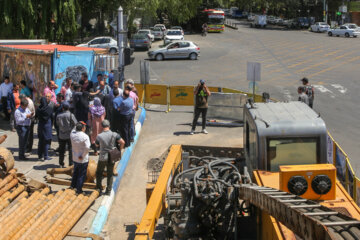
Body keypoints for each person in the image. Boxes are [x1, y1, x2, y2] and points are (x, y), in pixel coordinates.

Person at [95, 120, 125, 195]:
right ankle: (108, 191)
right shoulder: (115, 134)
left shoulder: (99, 136)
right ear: (109, 126)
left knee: (99, 173)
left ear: (102, 126)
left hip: (102, 157)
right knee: (110, 173)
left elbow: (96, 145)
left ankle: (99, 188)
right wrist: (119, 150)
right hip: (112, 156)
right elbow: (122, 142)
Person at [70, 122, 91, 194]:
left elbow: (73, 129)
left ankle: (72, 186)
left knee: (75, 172)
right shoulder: (85, 136)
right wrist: (82, 155)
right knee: (81, 175)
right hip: (82, 159)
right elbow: (87, 147)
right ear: (82, 128)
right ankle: (79, 190)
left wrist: (78, 123)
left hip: (75, 158)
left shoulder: (72, 134)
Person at [56, 102, 77, 167]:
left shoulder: (58, 115)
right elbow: (75, 123)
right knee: (71, 149)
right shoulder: (71, 115)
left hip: (61, 135)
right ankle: (71, 163)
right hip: (69, 135)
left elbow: (57, 124)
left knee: (62, 150)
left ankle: (61, 163)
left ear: (62, 108)